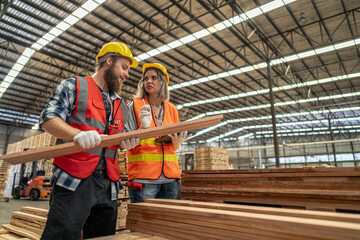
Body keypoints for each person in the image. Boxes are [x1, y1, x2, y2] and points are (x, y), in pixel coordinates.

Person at [39, 42, 140, 240]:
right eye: (124, 67)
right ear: (108, 61)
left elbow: (117, 139)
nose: (127, 75)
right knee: (62, 235)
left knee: (102, 236)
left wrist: (126, 144)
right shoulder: (73, 86)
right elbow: (48, 119)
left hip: (109, 183)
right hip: (75, 179)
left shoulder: (121, 104)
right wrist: (76, 134)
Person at [126, 63, 188, 203]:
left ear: (163, 82)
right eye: (146, 78)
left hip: (170, 178)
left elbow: (174, 146)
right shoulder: (135, 106)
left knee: (167, 223)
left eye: (153, 78)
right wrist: (142, 129)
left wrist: (177, 143)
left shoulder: (173, 109)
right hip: (143, 177)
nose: (148, 81)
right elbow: (125, 141)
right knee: (143, 222)